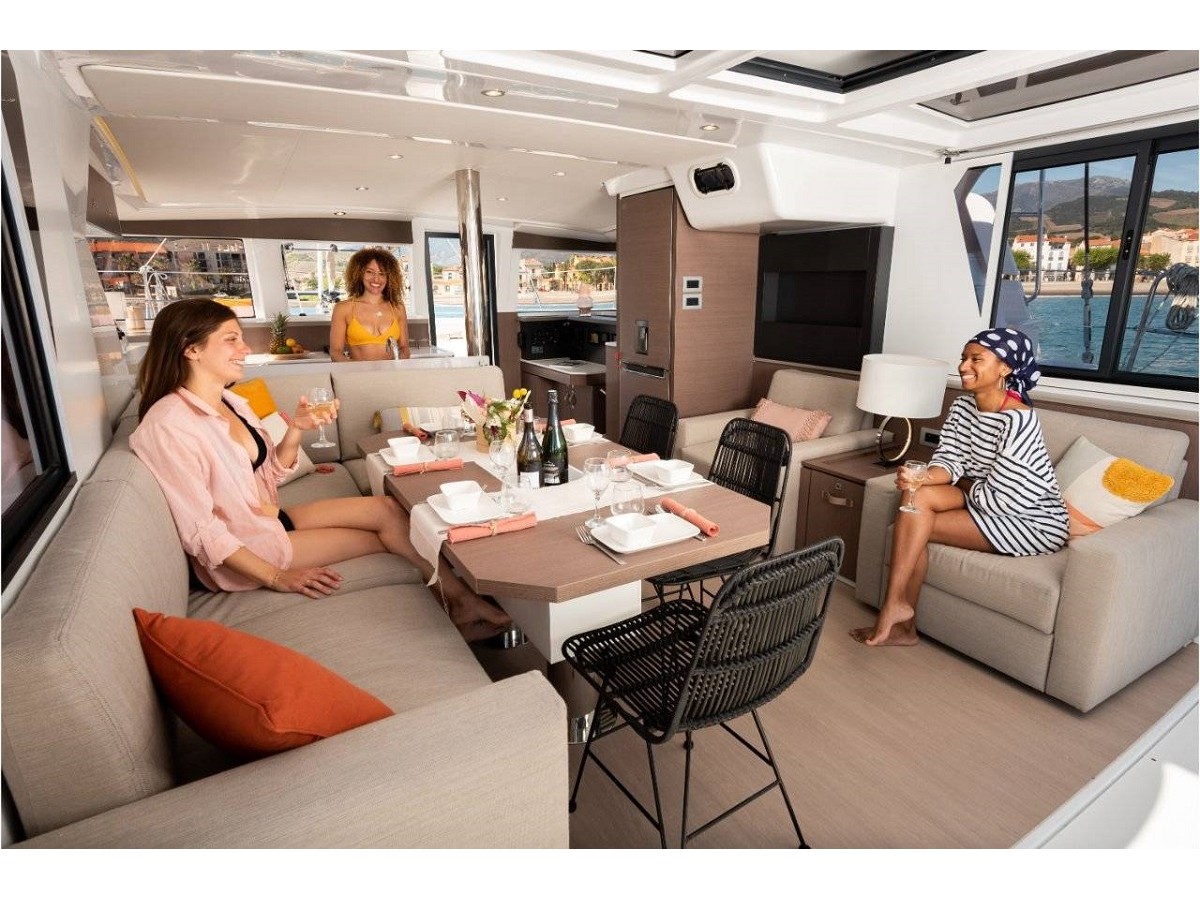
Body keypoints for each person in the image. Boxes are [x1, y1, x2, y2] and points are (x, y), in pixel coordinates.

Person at [130, 298, 510, 641]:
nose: (245, 349)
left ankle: (462, 600)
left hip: (265, 518)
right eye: (231, 340)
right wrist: (276, 576)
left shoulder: (230, 401)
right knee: (389, 540)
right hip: (249, 548)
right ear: (191, 348)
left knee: (390, 510)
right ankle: (461, 602)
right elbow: (201, 530)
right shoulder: (168, 425)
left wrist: (297, 428)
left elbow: (269, 474)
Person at [852, 328, 1069, 647]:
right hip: (985, 498)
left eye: (976, 359)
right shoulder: (962, 407)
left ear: (1005, 368)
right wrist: (921, 478)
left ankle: (898, 617)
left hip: (1030, 520)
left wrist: (961, 481)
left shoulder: (1019, 422)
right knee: (916, 496)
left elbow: (1002, 500)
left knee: (914, 524)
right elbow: (948, 462)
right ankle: (897, 610)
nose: (964, 366)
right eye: (963, 358)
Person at [328, 248, 410, 361]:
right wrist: (353, 369)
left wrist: (398, 365)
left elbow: (404, 348)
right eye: (369, 272)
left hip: (392, 372)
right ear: (359, 273)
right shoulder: (343, 309)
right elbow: (335, 353)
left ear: (389, 277)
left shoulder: (397, 307)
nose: (376, 279)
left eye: (382, 273)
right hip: (356, 372)